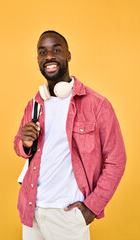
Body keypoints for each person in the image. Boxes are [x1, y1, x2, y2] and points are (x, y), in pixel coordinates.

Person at [14, 30, 126, 240]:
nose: (48, 57)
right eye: (42, 52)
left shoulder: (97, 105)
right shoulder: (34, 104)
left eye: (56, 50)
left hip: (68, 216)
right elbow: (20, 147)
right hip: (32, 212)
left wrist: (92, 207)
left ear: (68, 55)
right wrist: (24, 143)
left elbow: (117, 160)